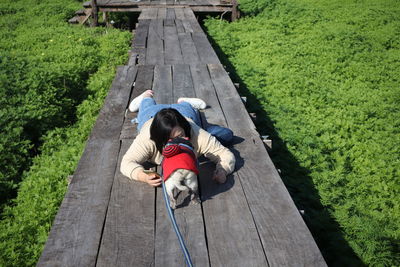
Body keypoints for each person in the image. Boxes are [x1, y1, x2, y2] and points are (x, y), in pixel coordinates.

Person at [120, 90, 236, 187]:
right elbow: (126, 163)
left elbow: (224, 153)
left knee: (227, 135)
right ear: (158, 139)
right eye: (170, 139)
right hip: (151, 116)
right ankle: (146, 97)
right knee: (147, 105)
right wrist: (143, 176)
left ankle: (185, 102)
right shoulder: (147, 139)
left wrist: (222, 170)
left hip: (183, 114)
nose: (177, 142)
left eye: (180, 136)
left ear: (186, 129)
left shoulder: (196, 133)